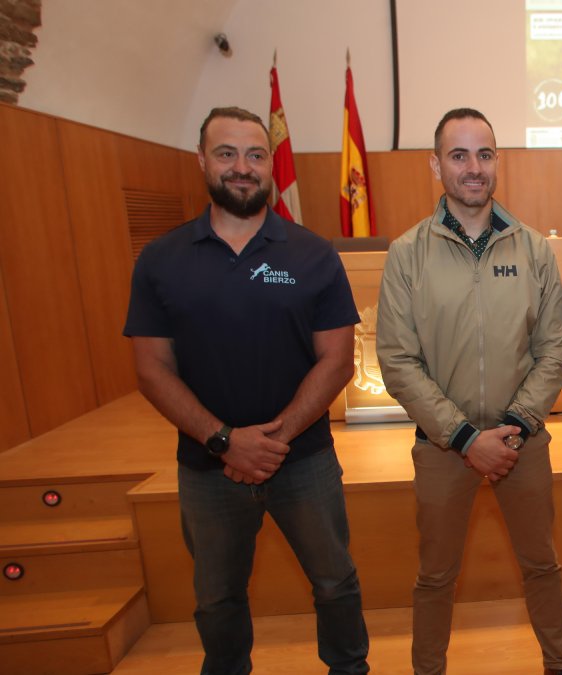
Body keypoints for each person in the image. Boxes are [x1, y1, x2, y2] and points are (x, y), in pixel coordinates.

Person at [123, 106, 369, 674]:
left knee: (335, 583)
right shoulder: (161, 259)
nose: (242, 167)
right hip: (207, 467)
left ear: (270, 165)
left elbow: (337, 362)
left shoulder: (312, 253)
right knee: (217, 599)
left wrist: (271, 440)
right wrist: (225, 442)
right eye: (227, 153)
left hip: (302, 460)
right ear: (202, 161)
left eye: (255, 155)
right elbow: (151, 370)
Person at [374, 108, 562, 675]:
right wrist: (465, 437)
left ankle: (561, 665)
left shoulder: (534, 249)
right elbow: (397, 360)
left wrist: (512, 427)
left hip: (523, 442)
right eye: (459, 155)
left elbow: (556, 353)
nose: (474, 167)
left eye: (484, 154)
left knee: (542, 566)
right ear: (436, 164)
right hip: (443, 446)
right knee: (435, 576)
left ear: (497, 162)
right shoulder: (406, 254)